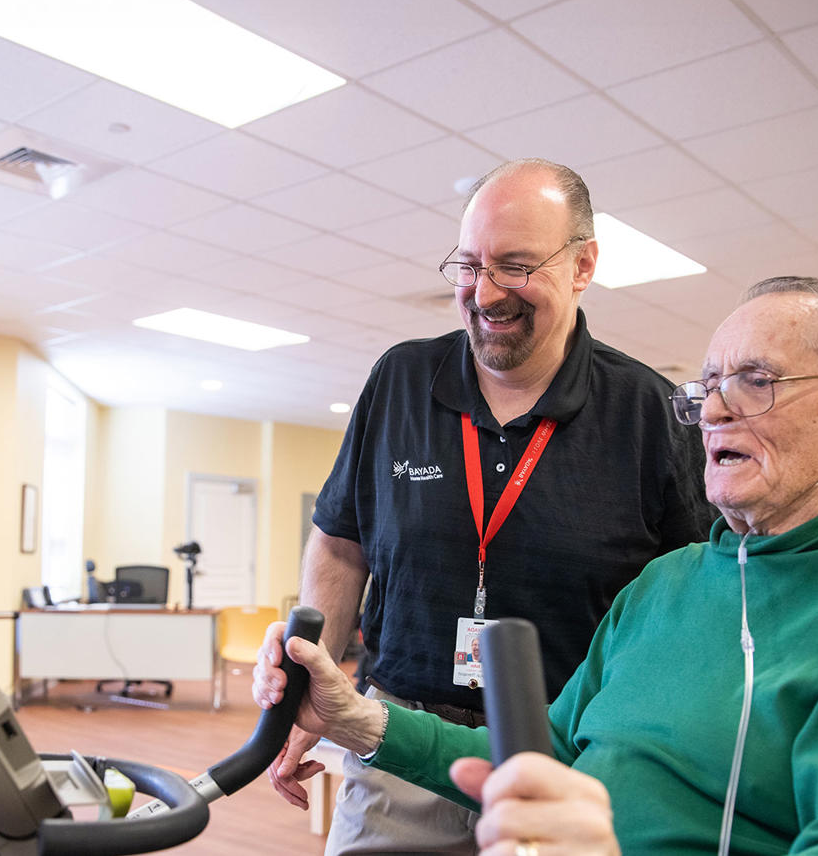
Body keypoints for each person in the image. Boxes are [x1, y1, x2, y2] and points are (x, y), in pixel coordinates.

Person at [256, 277, 818, 855]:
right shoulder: (665, 583)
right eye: (708, 387)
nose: (714, 411)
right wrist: (354, 719)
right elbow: (544, 752)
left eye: (756, 381)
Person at [278, 158, 713, 854]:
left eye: (514, 266)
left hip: (567, 755)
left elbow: (698, 599)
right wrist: (312, 685)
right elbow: (340, 542)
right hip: (396, 739)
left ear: (582, 266)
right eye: (470, 265)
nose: (485, 293)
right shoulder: (402, 379)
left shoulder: (646, 412)